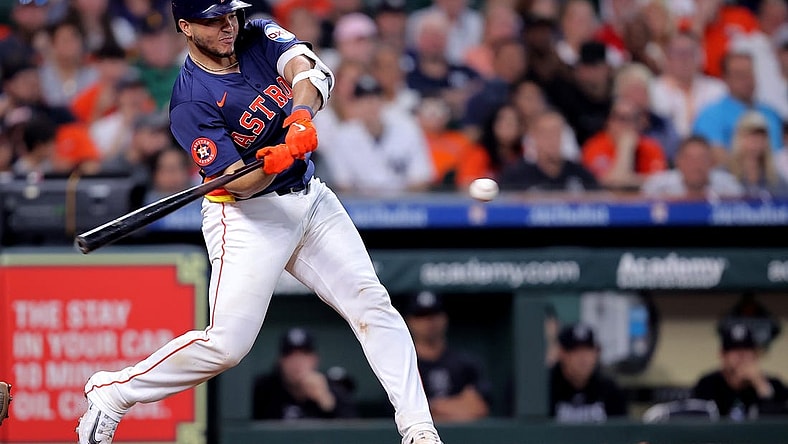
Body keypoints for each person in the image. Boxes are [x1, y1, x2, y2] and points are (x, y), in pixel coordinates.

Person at [76, 2, 445, 444]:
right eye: (213, 20)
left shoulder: (255, 34)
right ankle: (113, 392)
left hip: (310, 199)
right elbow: (244, 185)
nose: (227, 26)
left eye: (229, 14)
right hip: (248, 217)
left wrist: (300, 117)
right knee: (227, 345)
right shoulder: (189, 100)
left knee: (371, 304)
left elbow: (308, 70)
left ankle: (418, 429)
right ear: (186, 27)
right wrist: (275, 159)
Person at [403, 291, 492, 423]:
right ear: (410, 321)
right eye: (421, 315)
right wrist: (457, 406)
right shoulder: (404, 367)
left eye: (433, 314)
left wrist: (434, 407)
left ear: (444, 318)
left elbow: (478, 408)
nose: (429, 322)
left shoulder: (465, 364)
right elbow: (403, 415)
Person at [252, 327, 358, 420]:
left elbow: (352, 433)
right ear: (280, 360)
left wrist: (326, 402)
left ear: (315, 359)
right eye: (290, 354)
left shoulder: (333, 389)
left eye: (304, 354)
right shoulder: (265, 390)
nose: (297, 361)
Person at [691, 322, 788, 420]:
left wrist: (761, 386)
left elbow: (778, 426)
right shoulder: (707, 384)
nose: (741, 356)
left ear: (756, 355)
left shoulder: (775, 385)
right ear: (722, 355)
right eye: (734, 350)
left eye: (746, 350)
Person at [549, 322, 629, 423]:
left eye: (588, 350)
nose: (584, 358)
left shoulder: (609, 389)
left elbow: (622, 431)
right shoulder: (546, 389)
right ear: (562, 353)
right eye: (576, 351)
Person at [641, 135, 744, 200]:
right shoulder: (657, 187)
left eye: (702, 158)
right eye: (689, 159)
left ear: (712, 162)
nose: (696, 164)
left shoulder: (729, 187)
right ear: (678, 161)